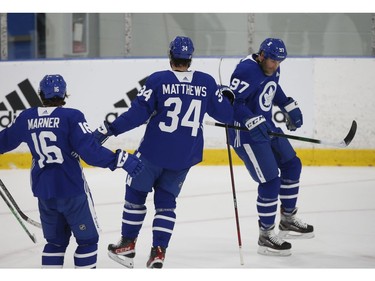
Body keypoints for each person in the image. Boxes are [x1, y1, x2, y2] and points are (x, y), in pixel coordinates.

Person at [94, 36, 234, 268]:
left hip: (153, 152)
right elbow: (226, 116)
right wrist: (227, 98)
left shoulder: (158, 80)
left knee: (135, 194)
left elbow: (137, 115)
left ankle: (128, 244)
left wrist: (110, 129)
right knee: (166, 202)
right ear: (190, 58)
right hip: (184, 156)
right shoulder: (206, 82)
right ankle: (159, 251)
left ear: (170, 56)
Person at [0, 74, 144, 268]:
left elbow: (4, 141)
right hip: (72, 191)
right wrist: (121, 159)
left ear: (41, 94)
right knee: (87, 241)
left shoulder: (27, 117)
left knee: (55, 243)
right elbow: (90, 154)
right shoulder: (72, 117)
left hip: (44, 193)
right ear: (65, 94)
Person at [227, 38, 314, 256]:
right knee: (270, 181)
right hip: (246, 134)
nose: (276, 66)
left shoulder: (272, 68)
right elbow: (233, 104)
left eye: (279, 62)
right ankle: (265, 235)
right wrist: (251, 120)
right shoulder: (246, 70)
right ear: (262, 55)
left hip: (267, 127)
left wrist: (288, 105)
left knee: (292, 165)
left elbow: (272, 89)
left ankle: (287, 219)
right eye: (273, 61)